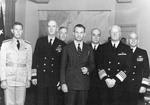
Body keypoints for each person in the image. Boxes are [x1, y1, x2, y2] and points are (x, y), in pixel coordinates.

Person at [32, 20, 66, 105]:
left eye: (53, 26)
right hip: (41, 77)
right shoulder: (40, 41)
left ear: (57, 29)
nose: (51, 29)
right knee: (40, 102)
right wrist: (34, 76)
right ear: (47, 28)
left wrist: (60, 80)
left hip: (54, 79)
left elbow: (62, 65)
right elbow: (35, 58)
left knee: (53, 102)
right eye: (49, 26)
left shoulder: (61, 44)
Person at [60, 24, 95, 105]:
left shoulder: (89, 48)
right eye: (77, 32)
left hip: (83, 85)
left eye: (81, 32)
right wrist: (63, 83)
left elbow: (92, 64)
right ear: (73, 33)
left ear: (84, 34)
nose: (79, 35)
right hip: (70, 85)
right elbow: (62, 67)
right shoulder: (67, 48)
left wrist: (88, 69)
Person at [98, 25, 131, 105]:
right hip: (105, 84)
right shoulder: (102, 48)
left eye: (117, 32)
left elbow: (128, 68)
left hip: (120, 86)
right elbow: (99, 66)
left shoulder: (127, 49)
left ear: (120, 34)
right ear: (110, 33)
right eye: (113, 32)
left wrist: (115, 80)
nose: (115, 34)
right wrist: (106, 79)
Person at [0, 22, 32, 105]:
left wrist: (28, 79)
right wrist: (3, 79)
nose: (18, 32)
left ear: (22, 31)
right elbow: (2, 63)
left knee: (20, 103)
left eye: (20, 30)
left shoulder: (28, 45)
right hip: (9, 79)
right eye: (16, 29)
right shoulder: (5, 44)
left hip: (22, 79)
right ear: (12, 31)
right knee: (9, 103)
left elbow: (29, 63)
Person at [122, 32, 150, 105]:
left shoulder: (143, 52)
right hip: (124, 85)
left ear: (138, 41)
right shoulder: (123, 52)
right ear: (128, 40)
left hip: (137, 86)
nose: (133, 40)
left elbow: (146, 70)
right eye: (131, 38)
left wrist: (143, 86)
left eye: (135, 38)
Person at [87, 28, 102, 105]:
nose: (96, 37)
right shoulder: (85, 48)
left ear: (100, 37)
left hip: (100, 84)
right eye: (94, 35)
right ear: (91, 36)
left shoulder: (104, 49)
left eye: (98, 35)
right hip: (87, 83)